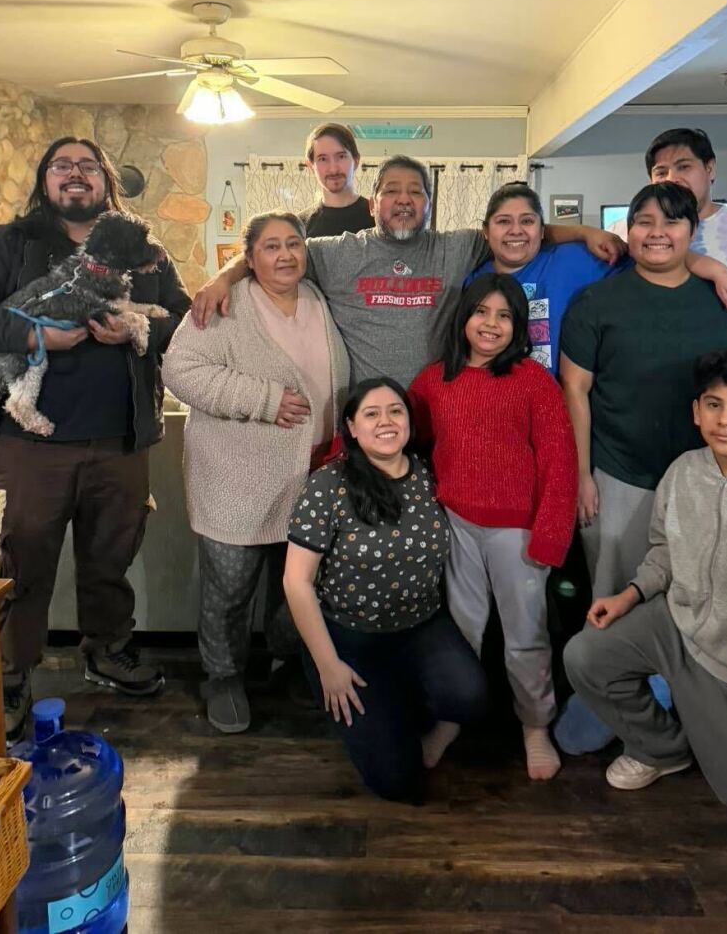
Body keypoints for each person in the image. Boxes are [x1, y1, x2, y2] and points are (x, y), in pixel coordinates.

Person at [0, 137, 191, 741]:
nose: (75, 174)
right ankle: (11, 675)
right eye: (62, 166)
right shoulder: (7, 244)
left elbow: (184, 323)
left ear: (107, 182)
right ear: (44, 180)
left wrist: (137, 330)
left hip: (123, 438)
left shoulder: (147, 255)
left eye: (88, 165)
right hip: (29, 445)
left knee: (112, 556)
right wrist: (33, 337)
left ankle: (108, 651)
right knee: (22, 559)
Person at [564, 350, 727, 806]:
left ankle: (706, 715)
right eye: (714, 405)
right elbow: (665, 550)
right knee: (585, 655)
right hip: (676, 621)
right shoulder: (683, 470)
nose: (725, 420)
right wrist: (631, 594)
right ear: (697, 411)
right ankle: (662, 749)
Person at [192, 155, 626, 388]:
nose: (404, 200)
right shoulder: (338, 253)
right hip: (363, 415)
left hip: (439, 412)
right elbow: (274, 249)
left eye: (416, 192)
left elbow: (516, 233)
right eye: (392, 191)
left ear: (429, 205)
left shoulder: (457, 247)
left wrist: (585, 232)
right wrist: (222, 279)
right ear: (372, 204)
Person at [161, 211, 350, 734]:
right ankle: (222, 677)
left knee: (297, 586)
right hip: (236, 477)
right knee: (229, 588)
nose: (285, 255)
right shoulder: (225, 305)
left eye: (294, 244)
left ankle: (288, 663)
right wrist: (263, 399)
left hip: (312, 477)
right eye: (270, 246)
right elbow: (178, 369)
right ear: (249, 258)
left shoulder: (318, 299)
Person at [559, 182, 727, 599]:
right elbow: (574, 388)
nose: (657, 232)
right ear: (629, 231)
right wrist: (582, 475)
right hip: (620, 474)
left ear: (691, 231)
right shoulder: (596, 302)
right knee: (613, 598)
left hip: (715, 476)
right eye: (644, 222)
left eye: (671, 222)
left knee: (707, 597)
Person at [283, 378, 488, 803]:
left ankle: (416, 713)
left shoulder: (429, 473)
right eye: (371, 414)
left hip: (422, 627)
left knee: (472, 698)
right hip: (349, 639)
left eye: (396, 411)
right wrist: (329, 666)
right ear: (352, 427)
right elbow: (295, 582)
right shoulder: (328, 485)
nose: (386, 422)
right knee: (396, 781)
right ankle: (383, 711)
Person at [408, 275, 578, 779]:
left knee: (526, 635)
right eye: (482, 312)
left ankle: (535, 724)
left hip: (518, 533)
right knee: (461, 631)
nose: (491, 324)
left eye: (504, 316)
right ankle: (450, 717)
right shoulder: (433, 381)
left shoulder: (534, 382)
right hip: (456, 524)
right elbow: (403, 437)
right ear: (464, 317)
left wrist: (550, 534)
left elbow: (560, 462)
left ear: (518, 327)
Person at [467, 182, 727, 375]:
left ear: (543, 230)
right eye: (503, 222)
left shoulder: (574, 259)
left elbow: (654, 256)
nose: (516, 231)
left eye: (527, 221)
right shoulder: (474, 282)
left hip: (560, 409)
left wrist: (713, 268)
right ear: (486, 231)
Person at [609, 128, 727, 379]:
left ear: (710, 169)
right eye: (661, 172)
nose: (672, 179)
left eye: (684, 167)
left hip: (725, 388)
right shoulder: (624, 232)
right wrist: (711, 267)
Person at [298, 122, 374, 237]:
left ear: (356, 160)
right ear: (311, 166)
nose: (333, 169)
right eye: (323, 159)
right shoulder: (299, 226)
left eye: (341, 156)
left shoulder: (379, 218)